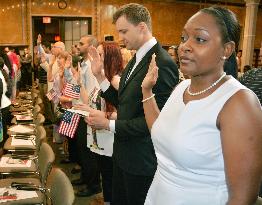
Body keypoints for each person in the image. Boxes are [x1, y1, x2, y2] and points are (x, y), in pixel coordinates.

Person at [141, 6, 262, 205]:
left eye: (199, 39)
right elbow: (161, 132)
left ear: (227, 49)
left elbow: (242, 197)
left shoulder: (239, 103)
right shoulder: (182, 87)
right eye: (183, 38)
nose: (184, 47)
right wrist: (147, 91)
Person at [87, 3, 179, 205]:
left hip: (142, 160)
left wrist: (108, 124)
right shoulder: (137, 57)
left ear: (142, 27)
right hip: (124, 155)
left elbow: (154, 122)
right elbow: (125, 103)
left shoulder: (161, 63)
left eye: (124, 31)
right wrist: (100, 76)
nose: (120, 37)